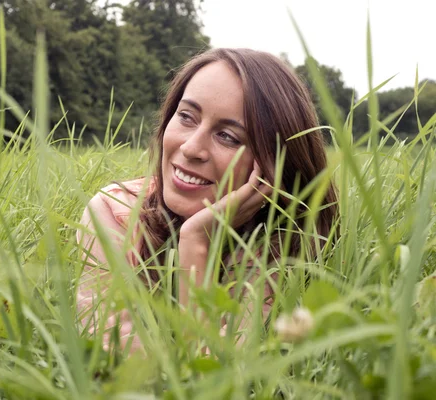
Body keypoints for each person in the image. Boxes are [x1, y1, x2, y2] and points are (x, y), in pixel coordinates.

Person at [76, 48, 338, 352]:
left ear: (272, 166)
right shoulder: (115, 211)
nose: (190, 148)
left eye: (228, 136)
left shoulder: (282, 242)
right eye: (186, 116)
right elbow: (112, 361)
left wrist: (195, 241)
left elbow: (214, 377)